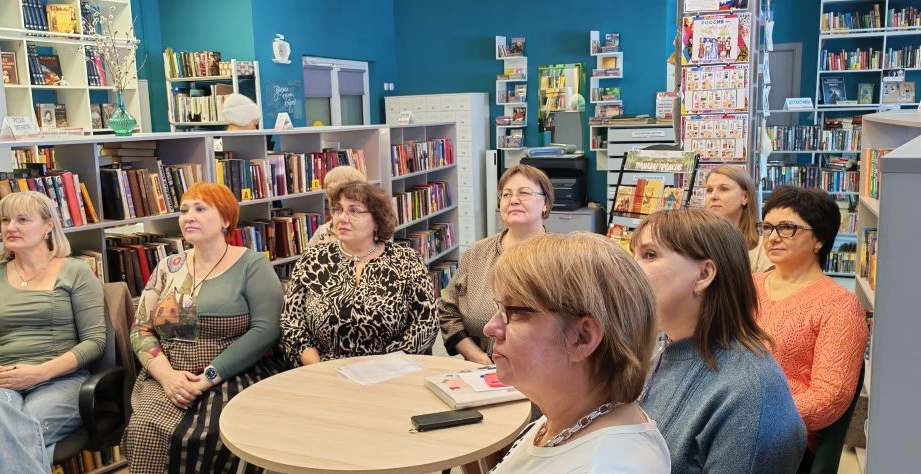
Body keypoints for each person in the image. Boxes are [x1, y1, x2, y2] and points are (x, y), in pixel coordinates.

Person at [121, 183, 285, 473]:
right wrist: (167, 377)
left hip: (232, 372)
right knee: (144, 428)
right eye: (184, 210)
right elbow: (141, 329)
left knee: (218, 433)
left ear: (225, 220)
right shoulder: (168, 267)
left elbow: (266, 330)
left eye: (200, 209)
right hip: (170, 374)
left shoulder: (252, 265)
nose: (189, 217)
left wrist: (208, 377)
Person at [631, 208, 806, 473]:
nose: (630, 268)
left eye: (649, 255)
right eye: (634, 254)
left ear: (703, 275)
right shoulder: (662, 347)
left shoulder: (748, 394)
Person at [486, 233, 670, 473]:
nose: (490, 328)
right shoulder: (570, 417)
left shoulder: (608, 466)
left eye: (516, 312)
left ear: (583, 338)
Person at [0, 191, 106, 474]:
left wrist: (39, 373)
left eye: (22, 219)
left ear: (48, 225)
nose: (10, 227)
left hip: (60, 380)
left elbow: (95, 341)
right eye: (5, 220)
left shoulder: (76, 271)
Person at [754, 185, 867, 465]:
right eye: (767, 227)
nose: (773, 237)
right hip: (727, 415)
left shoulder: (839, 306)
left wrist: (751, 414)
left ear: (819, 240)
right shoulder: (747, 286)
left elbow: (828, 399)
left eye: (787, 228)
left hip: (784, 436)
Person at [279, 181, 438, 366]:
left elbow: (426, 323)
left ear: (377, 221)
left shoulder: (406, 259)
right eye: (338, 210)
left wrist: (384, 367)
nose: (342, 218)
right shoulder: (313, 259)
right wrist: (317, 367)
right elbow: (292, 322)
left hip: (390, 369)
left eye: (354, 211)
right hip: (324, 369)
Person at [438, 164, 552, 364]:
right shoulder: (476, 254)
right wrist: (476, 357)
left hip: (543, 369)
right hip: (480, 370)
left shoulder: (562, 259)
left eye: (524, 193)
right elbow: (448, 310)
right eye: (506, 194)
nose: (513, 200)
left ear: (545, 204)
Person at [704, 164, 772, 272]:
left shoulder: (763, 248)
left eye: (724, 189)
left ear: (745, 197)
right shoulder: (697, 242)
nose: (713, 196)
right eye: (709, 190)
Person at [307, 165, 368, 247]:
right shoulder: (322, 231)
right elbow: (308, 253)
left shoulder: (368, 230)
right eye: (330, 190)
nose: (334, 196)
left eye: (340, 191)